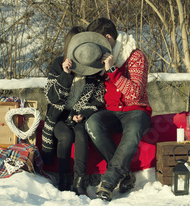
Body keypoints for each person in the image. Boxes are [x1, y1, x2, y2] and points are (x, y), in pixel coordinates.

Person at [85, 17, 152, 201]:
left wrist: (112, 70)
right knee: (92, 123)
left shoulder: (135, 55)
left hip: (136, 110)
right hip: (111, 112)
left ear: (108, 38)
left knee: (134, 127)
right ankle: (125, 174)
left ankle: (108, 181)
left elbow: (135, 94)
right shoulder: (97, 59)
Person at [41, 27, 111, 195]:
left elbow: (99, 98)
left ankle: (79, 181)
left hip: (81, 115)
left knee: (81, 134)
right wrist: (66, 75)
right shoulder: (59, 64)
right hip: (59, 117)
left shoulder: (93, 68)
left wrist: (84, 113)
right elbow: (52, 98)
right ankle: (64, 179)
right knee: (65, 135)